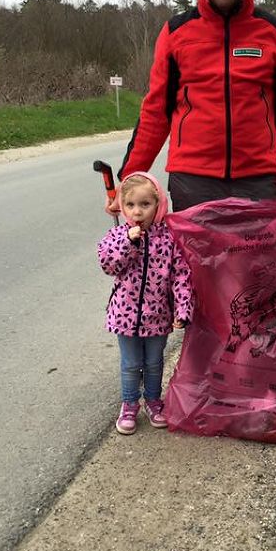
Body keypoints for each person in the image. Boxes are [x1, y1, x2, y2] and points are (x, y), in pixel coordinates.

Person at [110, 0, 276, 213]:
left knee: (252, 261)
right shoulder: (176, 32)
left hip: (257, 181)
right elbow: (156, 112)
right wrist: (129, 178)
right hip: (193, 182)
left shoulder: (274, 32)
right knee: (196, 261)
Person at [97, 172, 194, 435]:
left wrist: (183, 309)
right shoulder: (118, 235)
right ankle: (129, 404)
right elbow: (109, 264)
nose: (137, 211)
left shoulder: (169, 239)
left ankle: (153, 401)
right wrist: (129, 243)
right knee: (130, 363)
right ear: (122, 207)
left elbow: (181, 276)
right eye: (130, 205)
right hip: (124, 316)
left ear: (158, 205)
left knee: (153, 362)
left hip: (158, 316)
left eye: (145, 204)